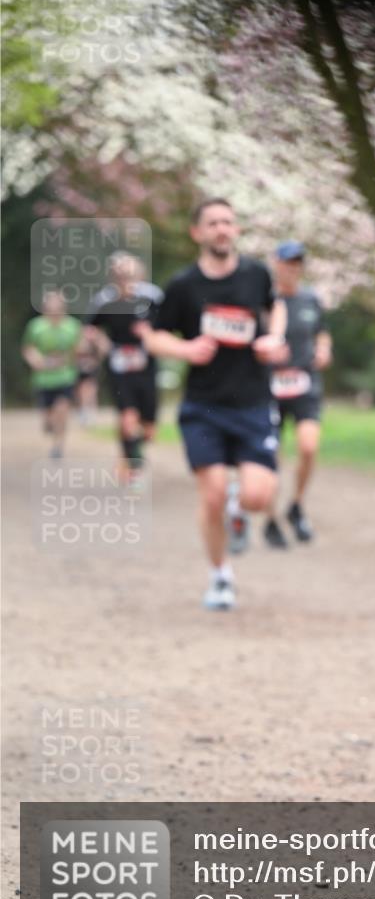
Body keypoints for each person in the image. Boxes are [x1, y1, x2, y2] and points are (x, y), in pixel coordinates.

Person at [145, 197, 287, 610]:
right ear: (198, 233)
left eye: (228, 222)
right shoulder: (183, 285)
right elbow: (154, 336)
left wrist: (273, 339)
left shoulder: (256, 274)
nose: (222, 229)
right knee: (209, 495)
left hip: (252, 401)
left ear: (236, 229)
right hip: (203, 405)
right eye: (213, 223)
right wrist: (186, 350)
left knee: (258, 496)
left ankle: (237, 508)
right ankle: (220, 577)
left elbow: (273, 308)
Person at [262, 240, 332, 548]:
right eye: (287, 262)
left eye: (297, 263)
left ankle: (296, 506)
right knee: (270, 457)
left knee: (308, 447)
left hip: (305, 384)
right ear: (275, 263)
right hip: (268, 387)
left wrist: (324, 348)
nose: (292, 268)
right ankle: (269, 519)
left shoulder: (310, 299)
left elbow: (322, 330)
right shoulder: (263, 301)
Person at [86, 252, 163, 485]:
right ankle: (133, 469)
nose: (123, 277)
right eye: (119, 273)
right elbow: (90, 329)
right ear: (112, 276)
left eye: (128, 273)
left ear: (139, 273)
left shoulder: (153, 296)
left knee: (148, 427)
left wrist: (153, 337)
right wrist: (103, 344)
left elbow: (168, 323)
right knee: (128, 417)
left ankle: (128, 454)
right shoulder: (104, 300)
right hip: (118, 364)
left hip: (147, 364)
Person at [21, 290, 82, 458]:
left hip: (65, 377)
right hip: (43, 379)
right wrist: (35, 359)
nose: (54, 310)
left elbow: (78, 349)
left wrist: (72, 357)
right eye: (51, 307)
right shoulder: (35, 326)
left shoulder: (73, 326)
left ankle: (58, 446)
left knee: (61, 411)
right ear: (44, 308)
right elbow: (28, 348)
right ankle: (49, 424)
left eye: (58, 307)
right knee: (49, 419)